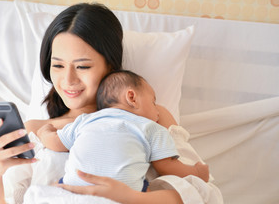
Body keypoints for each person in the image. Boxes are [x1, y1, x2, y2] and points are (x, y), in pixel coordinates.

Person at [0, 2, 221, 204]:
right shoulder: (35, 130)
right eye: (58, 65)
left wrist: (129, 198)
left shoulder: (149, 118)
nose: (68, 80)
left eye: (82, 66)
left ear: (110, 65)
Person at [37, 70, 209, 192]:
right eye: (153, 102)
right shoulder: (152, 128)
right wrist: (197, 173)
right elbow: (166, 166)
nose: (157, 111)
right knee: (151, 193)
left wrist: (45, 133)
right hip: (123, 195)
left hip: (74, 188)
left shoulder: (86, 120)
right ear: (132, 97)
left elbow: (56, 143)